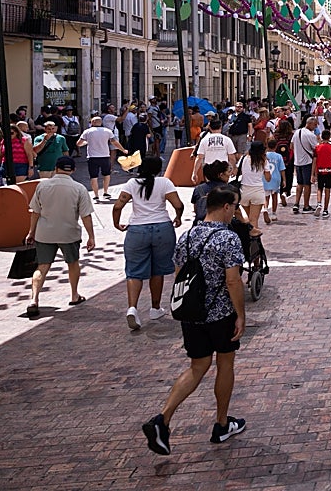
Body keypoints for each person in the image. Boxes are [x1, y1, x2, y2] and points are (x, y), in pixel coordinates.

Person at [141, 186, 246, 455]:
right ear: (225, 206)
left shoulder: (186, 236)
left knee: (197, 366)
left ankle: (163, 419)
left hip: (192, 313)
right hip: (220, 312)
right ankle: (222, 423)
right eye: (234, 205)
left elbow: (179, 274)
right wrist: (241, 314)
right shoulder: (228, 238)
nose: (235, 210)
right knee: (225, 362)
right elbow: (233, 280)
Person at [113, 156, 184, 331]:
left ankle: (132, 308)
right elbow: (178, 204)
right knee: (157, 269)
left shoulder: (131, 183)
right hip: (162, 228)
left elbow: (117, 206)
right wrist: (178, 217)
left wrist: (116, 223)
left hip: (137, 230)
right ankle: (155, 307)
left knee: (134, 271)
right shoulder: (164, 183)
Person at [23, 157, 96, 317]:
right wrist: (91, 236)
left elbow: (35, 212)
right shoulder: (79, 188)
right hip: (68, 233)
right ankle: (74, 295)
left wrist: (31, 232)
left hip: (44, 233)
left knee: (42, 266)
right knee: (73, 263)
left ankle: (34, 299)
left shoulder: (42, 185)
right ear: (73, 170)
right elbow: (86, 215)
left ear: (56, 168)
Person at [77, 115, 127, 200]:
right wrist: (123, 150)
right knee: (106, 175)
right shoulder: (107, 131)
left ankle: (96, 195)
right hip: (105, 156)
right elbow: (115, 142)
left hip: (92, 157)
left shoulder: (87, 131)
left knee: (93, 177)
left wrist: (86, 143)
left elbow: (79, 143)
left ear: (92, 122)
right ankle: (105, 192)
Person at [236, 141, 272, 235]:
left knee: (248, 218)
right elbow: (268, 179)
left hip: (244, 190)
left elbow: (237, 172)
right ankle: (254, 242)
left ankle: (247, 238)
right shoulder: (263, 161)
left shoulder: (243, 158)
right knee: (254, 219)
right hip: (257, 190)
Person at [292, 116, 320, 215]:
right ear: (310, 123)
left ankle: (296, 203)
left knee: (299, 184)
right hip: (307, 162)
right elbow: (317, 149)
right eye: (315, 125)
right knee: (307, 184)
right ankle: (306, 206)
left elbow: (292, 146)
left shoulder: (296, 132)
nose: (316, 127)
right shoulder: (310, 135)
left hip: (297, 162)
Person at [314, 130, 331, 218]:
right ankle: (326, 210)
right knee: (327, 190)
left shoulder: (317, 148)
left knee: (319, 188)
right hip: (329, 170)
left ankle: (319, 203)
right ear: (329, 136)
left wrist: (313, 173)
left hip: (320, 170)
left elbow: (314, 160)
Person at [263, 139, 285, 223]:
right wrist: (284, 180)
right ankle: (273, 213)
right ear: (276, 147)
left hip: (266, 178)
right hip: (276, 178)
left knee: (266, 196)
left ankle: (265, 208)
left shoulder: (265, 155)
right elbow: (282, 169)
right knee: (275, 196)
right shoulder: (279, 156)